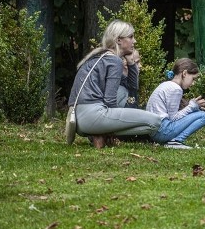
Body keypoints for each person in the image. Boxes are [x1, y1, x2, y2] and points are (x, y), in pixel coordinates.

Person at [70, 20, 163, 148]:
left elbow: (131, 88)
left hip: (78, 120)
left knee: (148, 121)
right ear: (118, 40)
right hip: (93, 116)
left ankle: (99, 134)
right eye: (130, 37)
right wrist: (114, 123)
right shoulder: (114, 60)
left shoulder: (100, 56)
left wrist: (131, 64)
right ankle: (103, 133)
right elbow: (110, 101)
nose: (134, 41)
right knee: (156, 122)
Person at [146, 58, 205, 149]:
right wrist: (192, 106)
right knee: (203, 116)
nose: (193, 83)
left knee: (198, 113)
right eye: (193, 79)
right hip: (162, 131)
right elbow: (174, 118)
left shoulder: (167, 84)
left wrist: (194, 107)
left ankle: (172, 141)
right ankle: (176, 141)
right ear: (184, 73)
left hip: (154, 131)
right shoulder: (175, 89)